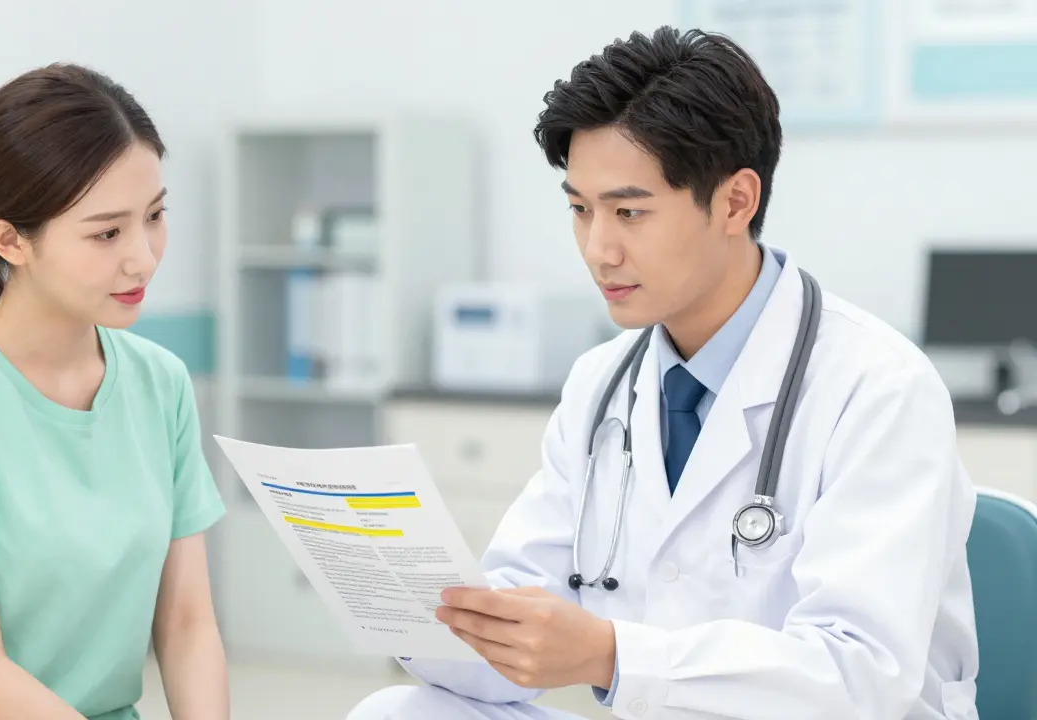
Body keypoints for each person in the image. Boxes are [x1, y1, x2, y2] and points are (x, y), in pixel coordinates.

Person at [348, 26, 979, 720]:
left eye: (628, 212)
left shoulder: (878, 387)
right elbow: (523, 613)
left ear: (736, 202)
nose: (597, 249)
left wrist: (611, 656)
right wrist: (428, 615)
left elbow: (859, 675)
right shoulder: (601, 385)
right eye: (579, 210)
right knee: (397, 711)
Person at [0, 64, 228, 720]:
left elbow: (187, 623)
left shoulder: (159, 384)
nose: (143, 256)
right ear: (10, 240)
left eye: (155, 216)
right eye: (107, 232)